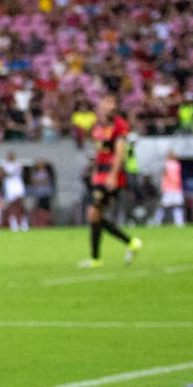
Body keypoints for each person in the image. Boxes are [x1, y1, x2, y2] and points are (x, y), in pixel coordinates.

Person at [80, 91, 142, 268]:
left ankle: (98, 257)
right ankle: (127, 245)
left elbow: (120, 151)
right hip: (99, 174)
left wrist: (113, 175)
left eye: (113, 102)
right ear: (100, 105)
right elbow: (99, 152)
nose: (110, 106)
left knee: (93, 214)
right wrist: (94, 171)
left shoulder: (119, 125)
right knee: (95, 216)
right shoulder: (98, 126)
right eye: (107, 102)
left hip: (111, 175)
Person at [153, 149, 186, 228]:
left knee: (177, 206)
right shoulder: (167, 164)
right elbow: (165, 176)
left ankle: (179, 223)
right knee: (163, 205)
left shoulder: (177, 164)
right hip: (169, 188)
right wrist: (164, 186)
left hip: (177, 188)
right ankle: (157, 221)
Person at [1, 151, 29, 231]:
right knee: (11, 205)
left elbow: (13, 172)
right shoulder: (5, 164)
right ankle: (14, 223)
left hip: (18, 185)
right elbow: (6, 173)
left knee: (20, 204)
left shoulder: (18, 164)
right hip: (9, 186)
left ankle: (23, 222)